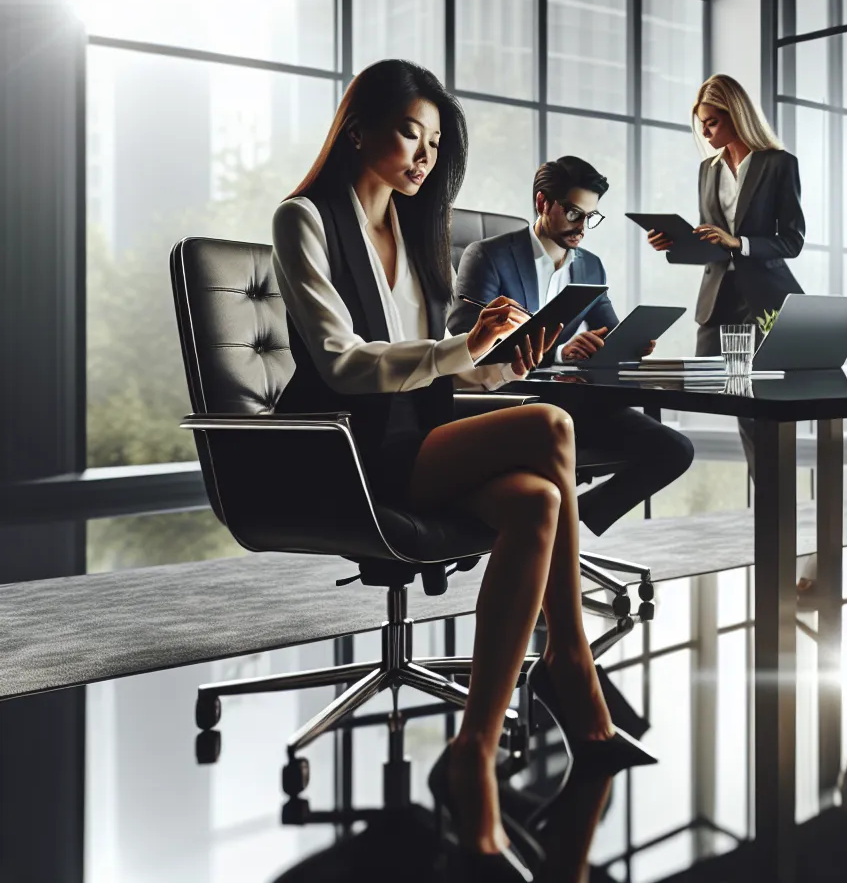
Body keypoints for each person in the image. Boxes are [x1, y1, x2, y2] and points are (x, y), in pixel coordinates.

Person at [271, 60, 652, 877]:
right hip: (348, 452)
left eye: (436, 142)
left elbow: (440, 373)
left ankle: (473, 752)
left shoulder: (416, 233)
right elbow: (342, 364)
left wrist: (504, 359)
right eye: (412, 132)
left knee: (537, 505)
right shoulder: (304, 220)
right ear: (360, 127)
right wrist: (459, 348)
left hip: (415, 435)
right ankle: (569, 663)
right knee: (552, 427)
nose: (424, 154)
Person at [449, 156, 695, 538]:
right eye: (574, 213)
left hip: (573, 402)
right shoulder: (488, 256)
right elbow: (469, 345)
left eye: (591, 217)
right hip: (511, 398)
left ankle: (567, 519)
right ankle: (546, 527)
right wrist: (562, 352)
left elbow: (607, 329)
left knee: (675, 451)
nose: (582, 228)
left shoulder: (590, 266)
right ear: (542, 202)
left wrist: (626, 344)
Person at [650, 73, 805, 355]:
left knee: (755, 392)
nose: (705, 133)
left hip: (764, 299)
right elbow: (708, 238)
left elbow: (793, 242)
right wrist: (675, 242)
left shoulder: (779, 164)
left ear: (736, 117)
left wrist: (739, 243)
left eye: (712, 123)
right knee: (705, 390)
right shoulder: (707, 169)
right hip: (716, 298)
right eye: (702, 125)